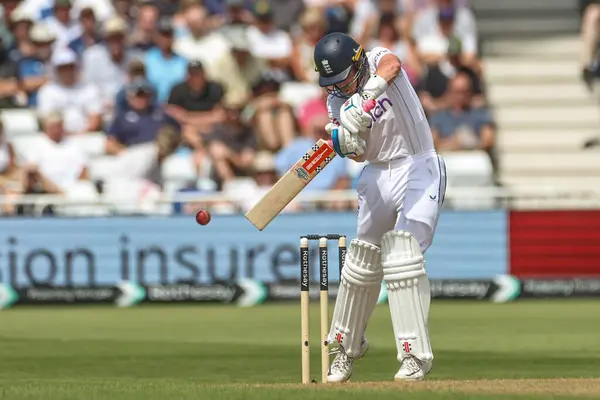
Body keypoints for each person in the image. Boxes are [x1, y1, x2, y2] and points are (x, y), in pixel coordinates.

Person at [313, 32, 446, 382]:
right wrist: (347, 142)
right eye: (331, 83)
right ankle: (344, 349)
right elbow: (358, 155)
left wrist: (366, 98)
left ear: (356, 64)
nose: (337, 89)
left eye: (341, 79)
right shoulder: (335, 104)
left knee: (404, 256)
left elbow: (393, 65)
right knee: (361, 262)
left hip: (418, 164)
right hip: (377, 175)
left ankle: (414, 356)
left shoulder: (376, 59)